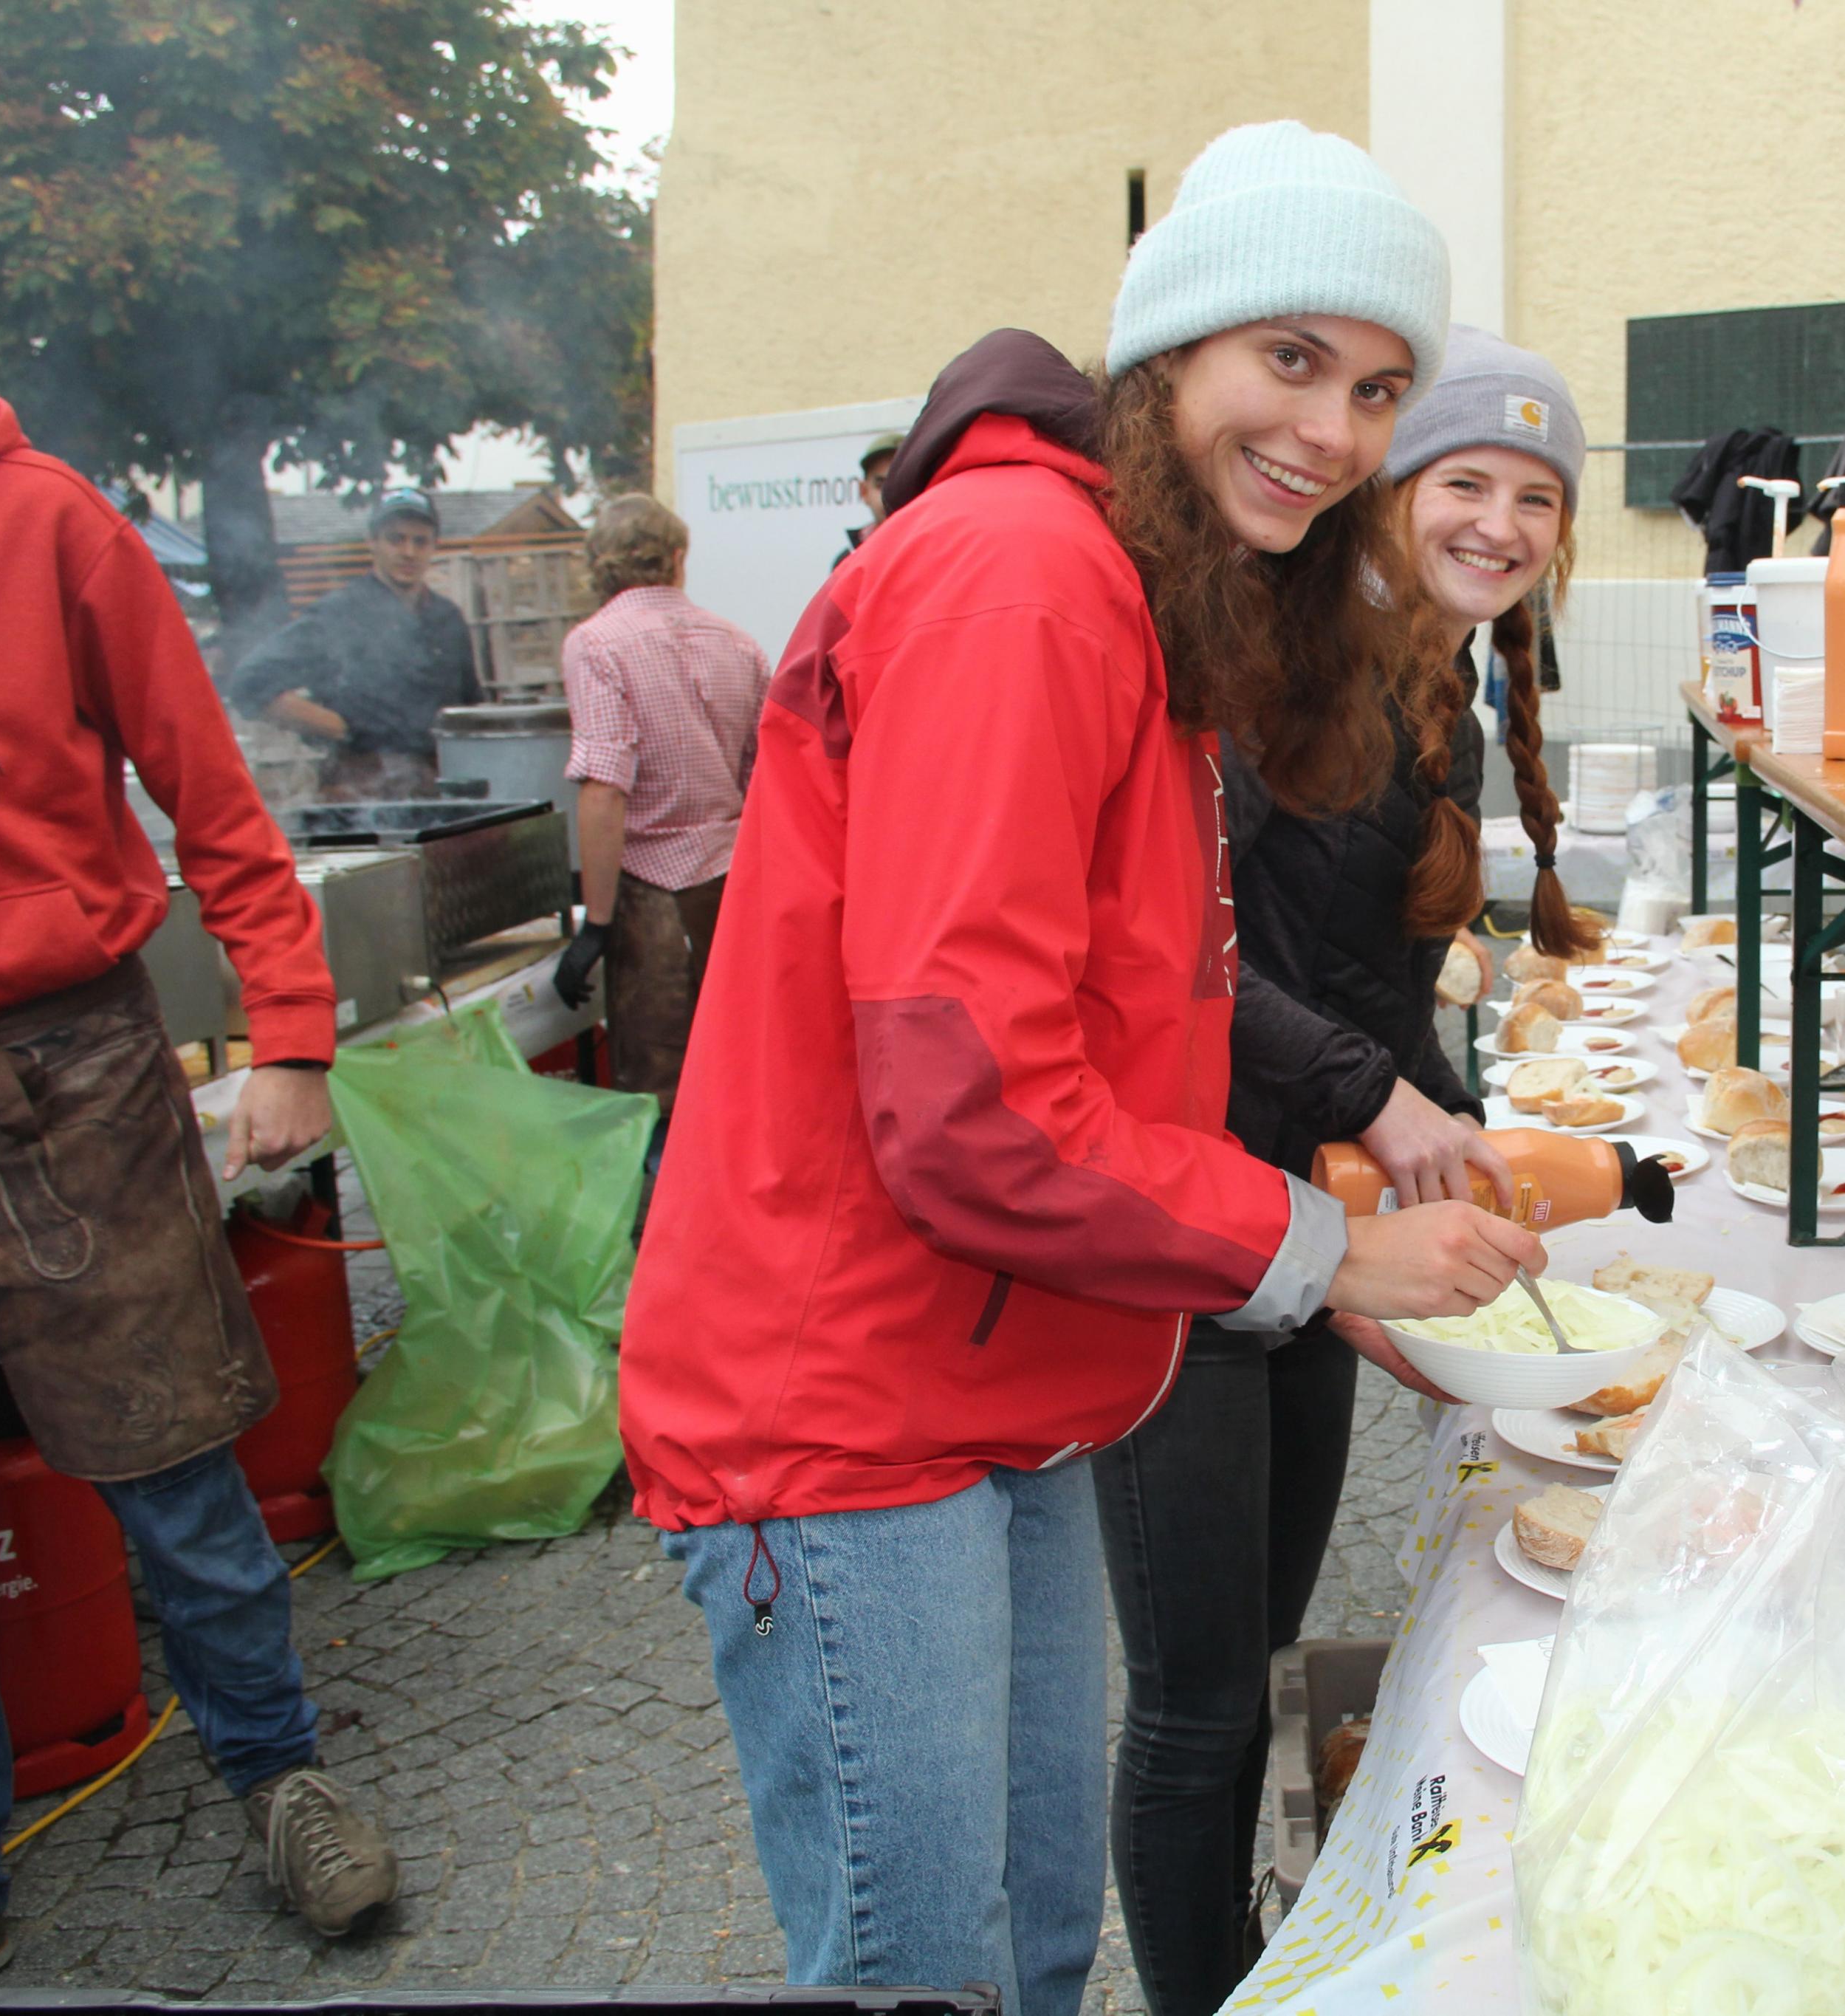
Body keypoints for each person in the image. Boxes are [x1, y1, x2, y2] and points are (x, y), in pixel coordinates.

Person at [616, 122, 1542, 2008]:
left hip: (1006, 1369)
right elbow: (975, 1108)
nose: (1334, 433)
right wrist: (1321, 1252)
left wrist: (1321, 1256)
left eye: (1376, 390)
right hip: (847, 1399)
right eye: (1290, 360)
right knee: (922, 1971)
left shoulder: (1137, 588)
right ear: (1170, 351)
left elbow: (1132, 1031)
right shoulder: (1022, 578)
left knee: (1038, 1949)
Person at [1092, 325, 1595, 2015]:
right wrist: (1380, 1096)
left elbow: (1370, 987)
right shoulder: (1280, 675)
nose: (1498, 524)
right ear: (1392, 490)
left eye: (1535, 497)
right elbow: (1196, 968)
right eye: (1465, 482)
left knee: (1260, 1660)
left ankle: (1247, 1958)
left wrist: (1459, 1135)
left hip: (1308, 1235)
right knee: (1194, 1707)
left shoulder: (1441, 698)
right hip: (1186, 1235)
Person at [0, 394, 402, 1961]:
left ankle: (281, 1776)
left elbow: (208, 790)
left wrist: (290, 1029)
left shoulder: (52, 521)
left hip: (76, 1072)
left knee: (171, 1465)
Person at [548, 496, 772, 1124]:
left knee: (661, 1091)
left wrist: (595, 926)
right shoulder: (739, 643)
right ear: (677, 558)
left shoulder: (595, 644)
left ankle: (665, 1190)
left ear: (600, 564)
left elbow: (604, 790)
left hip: (651, 896)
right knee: (742, 1070)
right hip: (734, 887)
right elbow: (765, 781)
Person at [225, 488, 483, 800]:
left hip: (440, 786)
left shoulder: (448, 619)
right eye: (396, 539)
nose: (409, 552)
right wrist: (341, 728)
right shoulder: (337, 614)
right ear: (372, 542)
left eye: (420, 541)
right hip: (360, 789)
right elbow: (249, 684)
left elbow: (472, 710)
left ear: (434, 546)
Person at [834, 429, 902, 567]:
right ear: (864, 491)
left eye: (901, 483)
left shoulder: (932, 552)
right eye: (880, 484)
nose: (889, 494)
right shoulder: (845, 562)